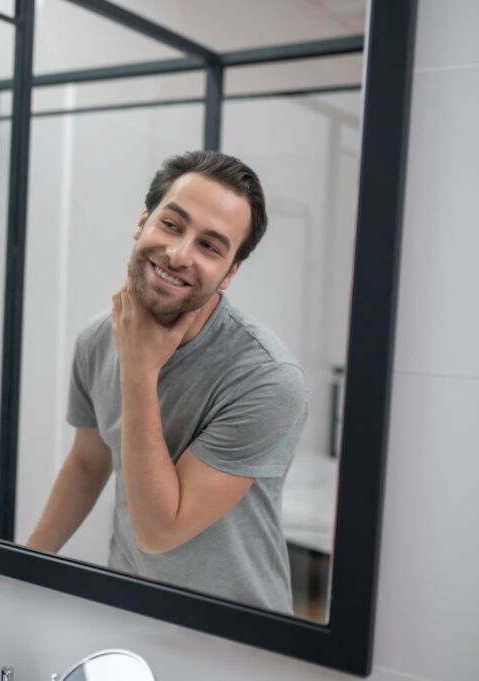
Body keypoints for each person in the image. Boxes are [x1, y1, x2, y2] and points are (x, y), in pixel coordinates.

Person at [27, 151, 306, 613]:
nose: (179, 255)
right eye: (172, 225)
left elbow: (160, 531)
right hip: (129, 607)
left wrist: (139, 367)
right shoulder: (97, 340)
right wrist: (25, 568)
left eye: (210, 247)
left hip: (238, 635)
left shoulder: (267, 378)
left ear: (231, 272)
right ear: (143, 222)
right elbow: (89, 461)